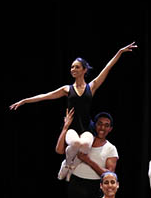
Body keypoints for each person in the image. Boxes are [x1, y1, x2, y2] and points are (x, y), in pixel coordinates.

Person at [9, 42, 137, 179]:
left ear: (84, 70)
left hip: (86, 128)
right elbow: (45, 96)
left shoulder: (91, 87)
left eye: (77, 67)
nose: (73, 69)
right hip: (72, 127)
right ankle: (67, 164)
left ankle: (71, 167)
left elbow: (107, 68)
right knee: (76, 143)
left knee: (85, 146)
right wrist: (25, 101)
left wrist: (119, 52)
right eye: (72, 67)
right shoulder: (67, 89)